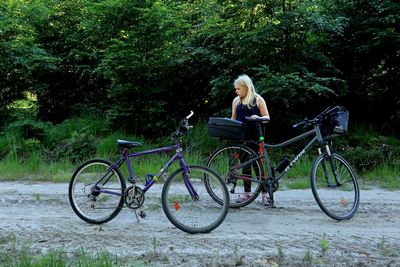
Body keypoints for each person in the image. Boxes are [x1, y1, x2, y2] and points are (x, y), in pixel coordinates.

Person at [231, 74, 271, 206]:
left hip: (255, 137)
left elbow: (267, 117)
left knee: (258, 165)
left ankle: (265, 194)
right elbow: (233, 119)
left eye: (238, 89)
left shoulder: (258, 99)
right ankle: (247, 193)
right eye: (235, 89)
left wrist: (257, 118)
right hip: (241, 138)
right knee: (245, 165)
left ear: (246, 87)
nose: (236, 91)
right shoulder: (236, 101)